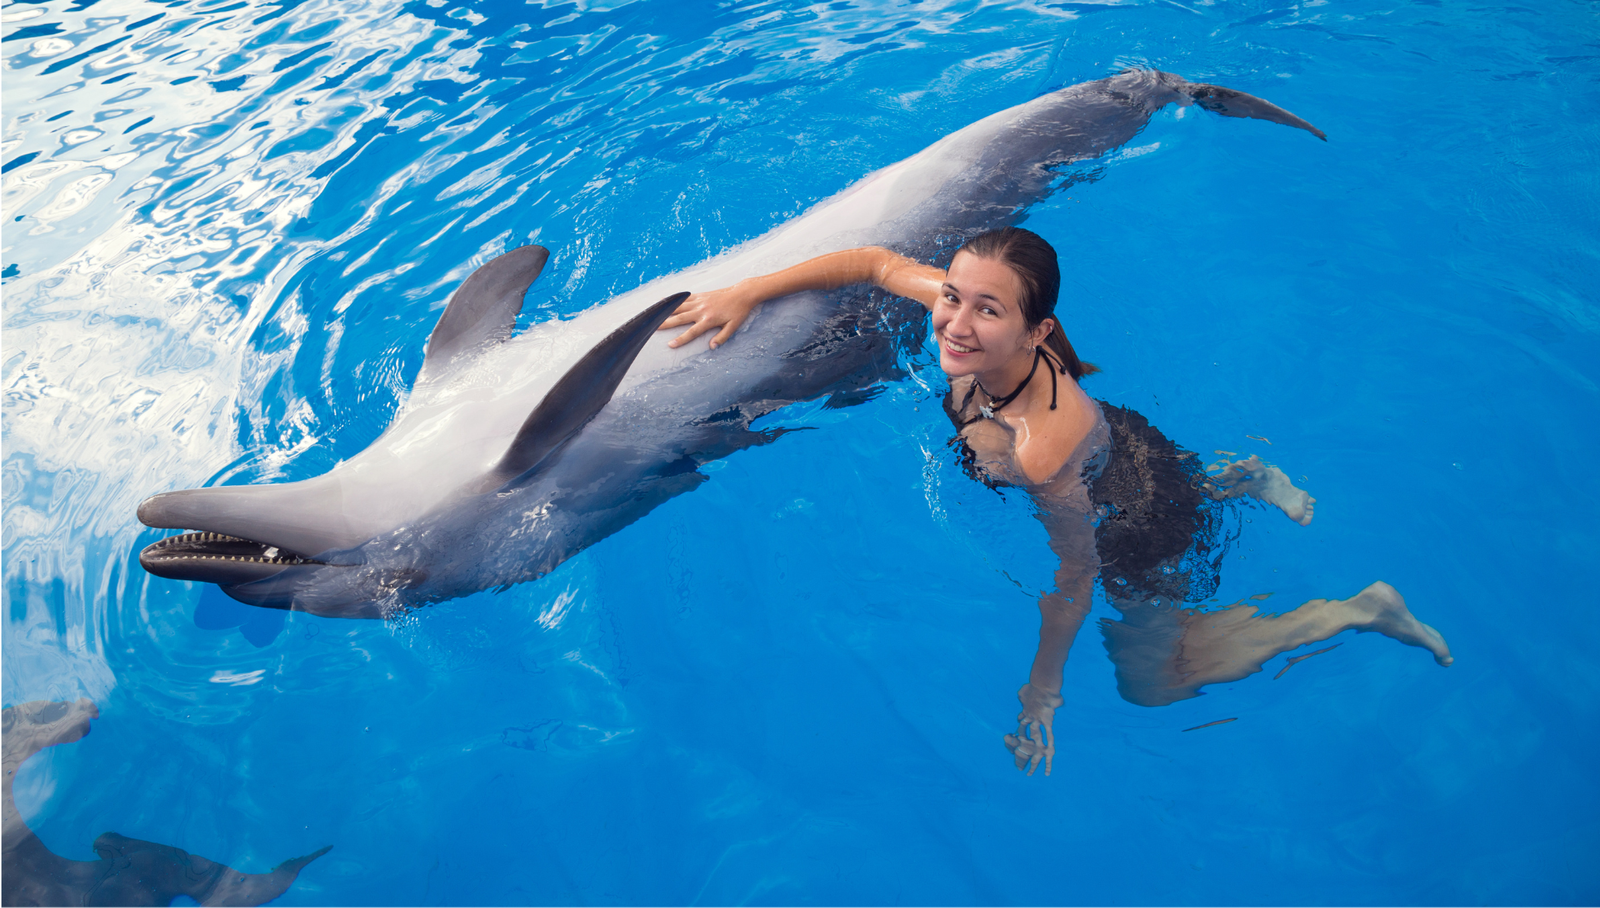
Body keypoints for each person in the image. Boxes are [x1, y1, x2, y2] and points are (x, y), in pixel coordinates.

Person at [659, 227, 1453, 776]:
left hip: (1132, 522)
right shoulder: (971, 320)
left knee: (1156, 678)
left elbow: (1077, 576)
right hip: (1125, 442)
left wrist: (1044, 682)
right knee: (1149, 466)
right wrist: (745, 292)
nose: (954, 323)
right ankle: (1240, 476)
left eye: (986, 310)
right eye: (955, 297)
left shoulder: (1039, 454)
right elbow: (871, 262)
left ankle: (1355, 610)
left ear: (1039, 331)